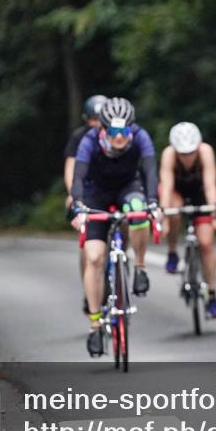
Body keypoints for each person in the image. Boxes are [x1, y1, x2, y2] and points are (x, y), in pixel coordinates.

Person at [70, 97, 161, 356]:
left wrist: (153, 201)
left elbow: (150, 171)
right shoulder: (89, 141)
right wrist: (77, 204)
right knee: (95, 257)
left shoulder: (141, 137)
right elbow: (78, 176)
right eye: (113, 131)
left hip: (127, 189)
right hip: (95, 194)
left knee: (139, 211)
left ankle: (140, 267)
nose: (119, 137)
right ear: (103, 129)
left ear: (131, 128)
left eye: (124, 131)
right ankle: (95, 323)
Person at [159, 122, 216, 318]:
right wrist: (164, 217)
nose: (187, 157)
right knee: (172, 212)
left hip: (200, 193)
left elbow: (210, 185)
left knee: (206, 243)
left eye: (190, 152)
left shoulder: (205, 151)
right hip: (177, 191)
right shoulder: (169, 154)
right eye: (183, 153)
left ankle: (212, 296)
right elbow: (166, 186)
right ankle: (172, 251)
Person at [64, 94, 107, 314]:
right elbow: (71, 168)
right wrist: (73, 194)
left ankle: (122, 257)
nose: (97, 123)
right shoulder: (80, 138)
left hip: (111, 190)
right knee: (87, 244)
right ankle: (89, 287)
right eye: (93, 119)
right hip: (88, 190)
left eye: (100, 118)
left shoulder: (116, 137)